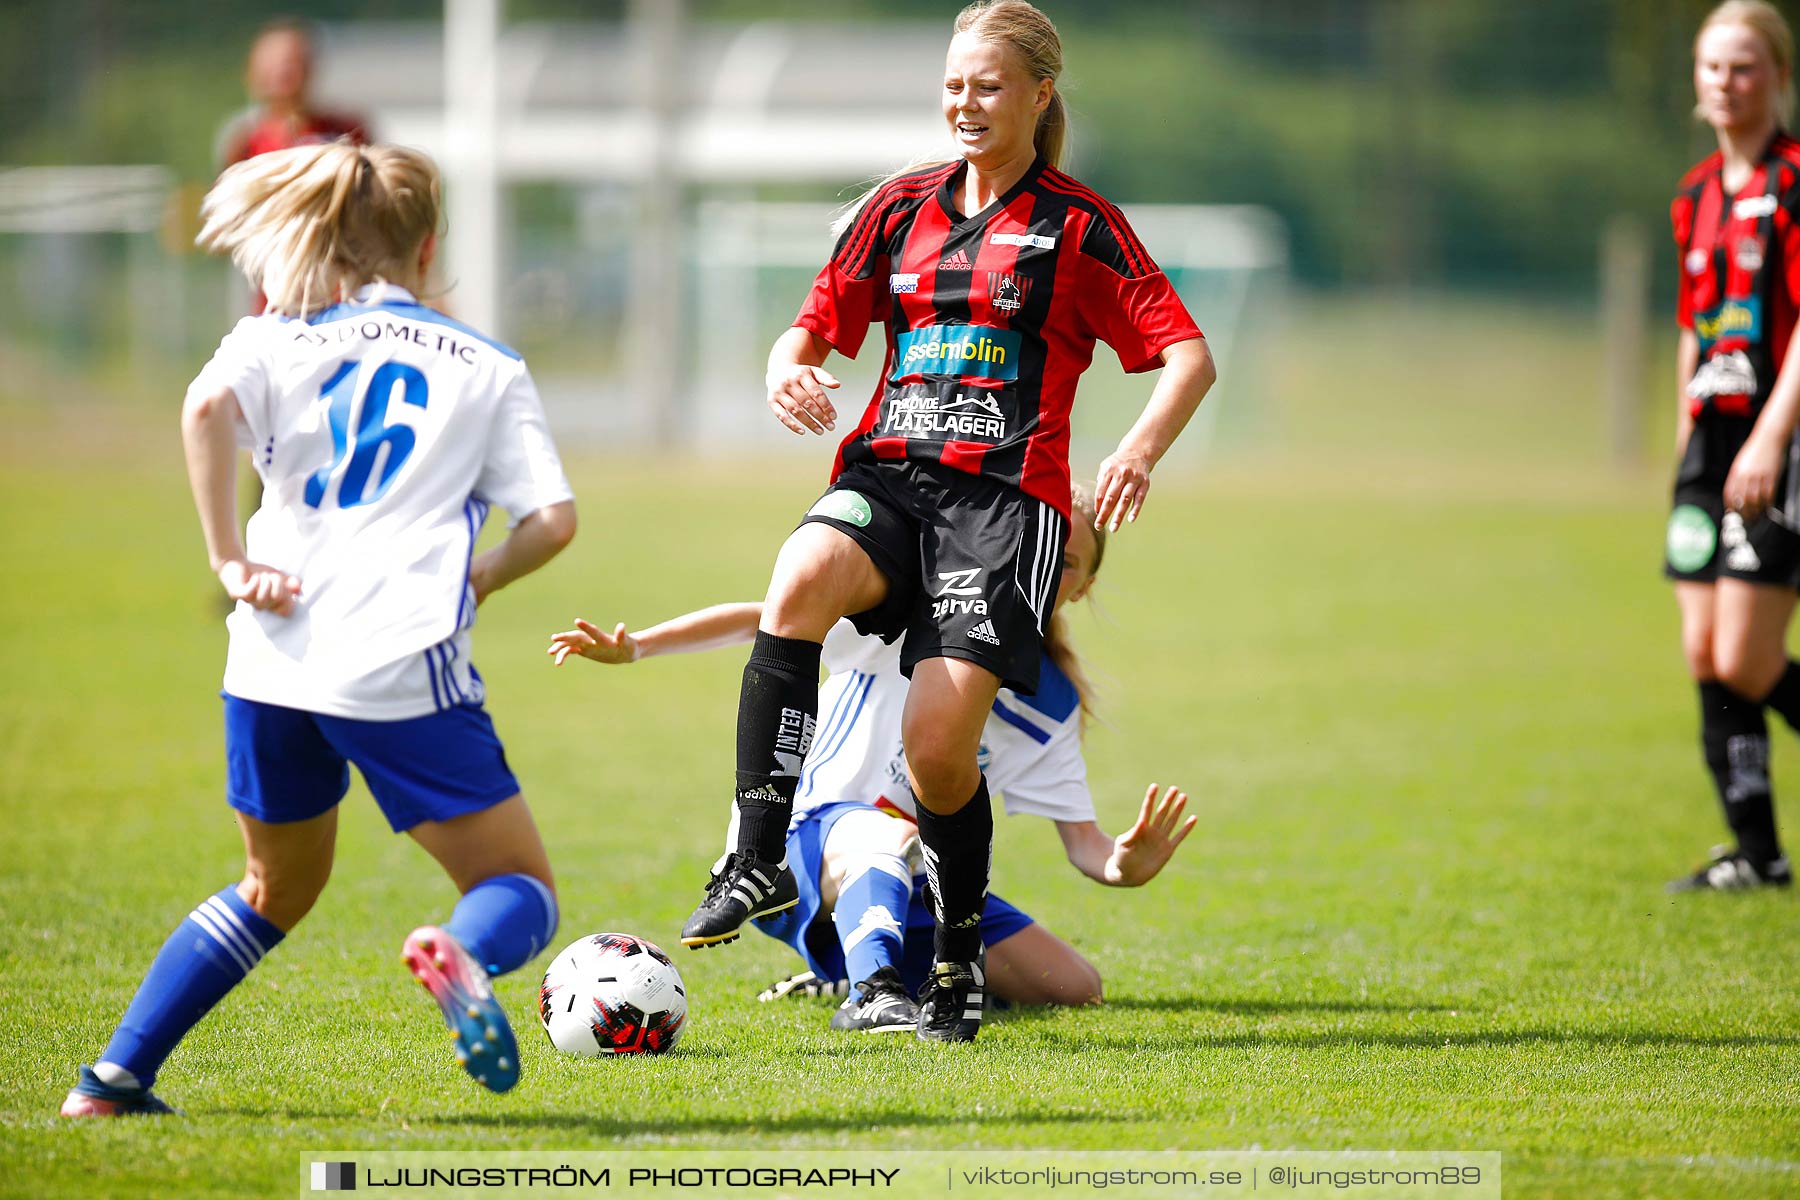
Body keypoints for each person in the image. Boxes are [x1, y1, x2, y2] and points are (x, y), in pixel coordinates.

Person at [674, 0, 1215, 1044]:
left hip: (1002, 510)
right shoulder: (898, 208)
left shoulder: (1078, 225)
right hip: (890, 475)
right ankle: (754, 853)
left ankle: (959, 962)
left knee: (936, 755)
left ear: (1040, 94)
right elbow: (811, 329)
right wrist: (789, 372)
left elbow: (1185, 354)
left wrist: (1137, 449)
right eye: (956, 83)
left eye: (991, 84)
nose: (967, 102)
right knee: (796, 580)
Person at [59, 141, 577, 1117]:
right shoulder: (486, 364)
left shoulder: (274, 334)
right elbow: (554, 520)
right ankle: (459, 953)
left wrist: (226, 560)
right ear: (427, 247)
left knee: (272, 887)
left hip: (268, 656)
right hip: (396, 655)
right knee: (519, 883)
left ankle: (111, 1082)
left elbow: (206, 405)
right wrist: (488, 576)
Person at [549, 486, 1196, 1031]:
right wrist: (638, 648)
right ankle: (872, 992)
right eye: (1037, 545)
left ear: (1083, 586)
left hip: (913, 876)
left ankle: (847, 968)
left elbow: (1085, 846)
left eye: (1069, 560)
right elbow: (769, 618)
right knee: (883, 833)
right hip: (802, 844)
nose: (1047, 567)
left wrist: (1122, 865)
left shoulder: (1047, 699)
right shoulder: (919, 621)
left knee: (1075, 985)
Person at [1665, 0, 1800, 892]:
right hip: (1707, 449)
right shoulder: (1695, 195)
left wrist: (1770, 438)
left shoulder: (1795, 183)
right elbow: (1692, 324)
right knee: (1708, 658)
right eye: (1713, 66)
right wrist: (1685, 439)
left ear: (1779, 76)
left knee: (1750, 658)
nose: (1726, 81)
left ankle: (1758, 853)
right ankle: (1757, 854)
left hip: (1773, 443)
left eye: (1744, 65)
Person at [216, 19, 371, 317]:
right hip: (278, 308)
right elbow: (225, 232)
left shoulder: (346, 133)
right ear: (252, 72)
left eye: (292, 61)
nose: (284, 72)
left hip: (345, 304)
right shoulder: (246, 145)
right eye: (273, 63)